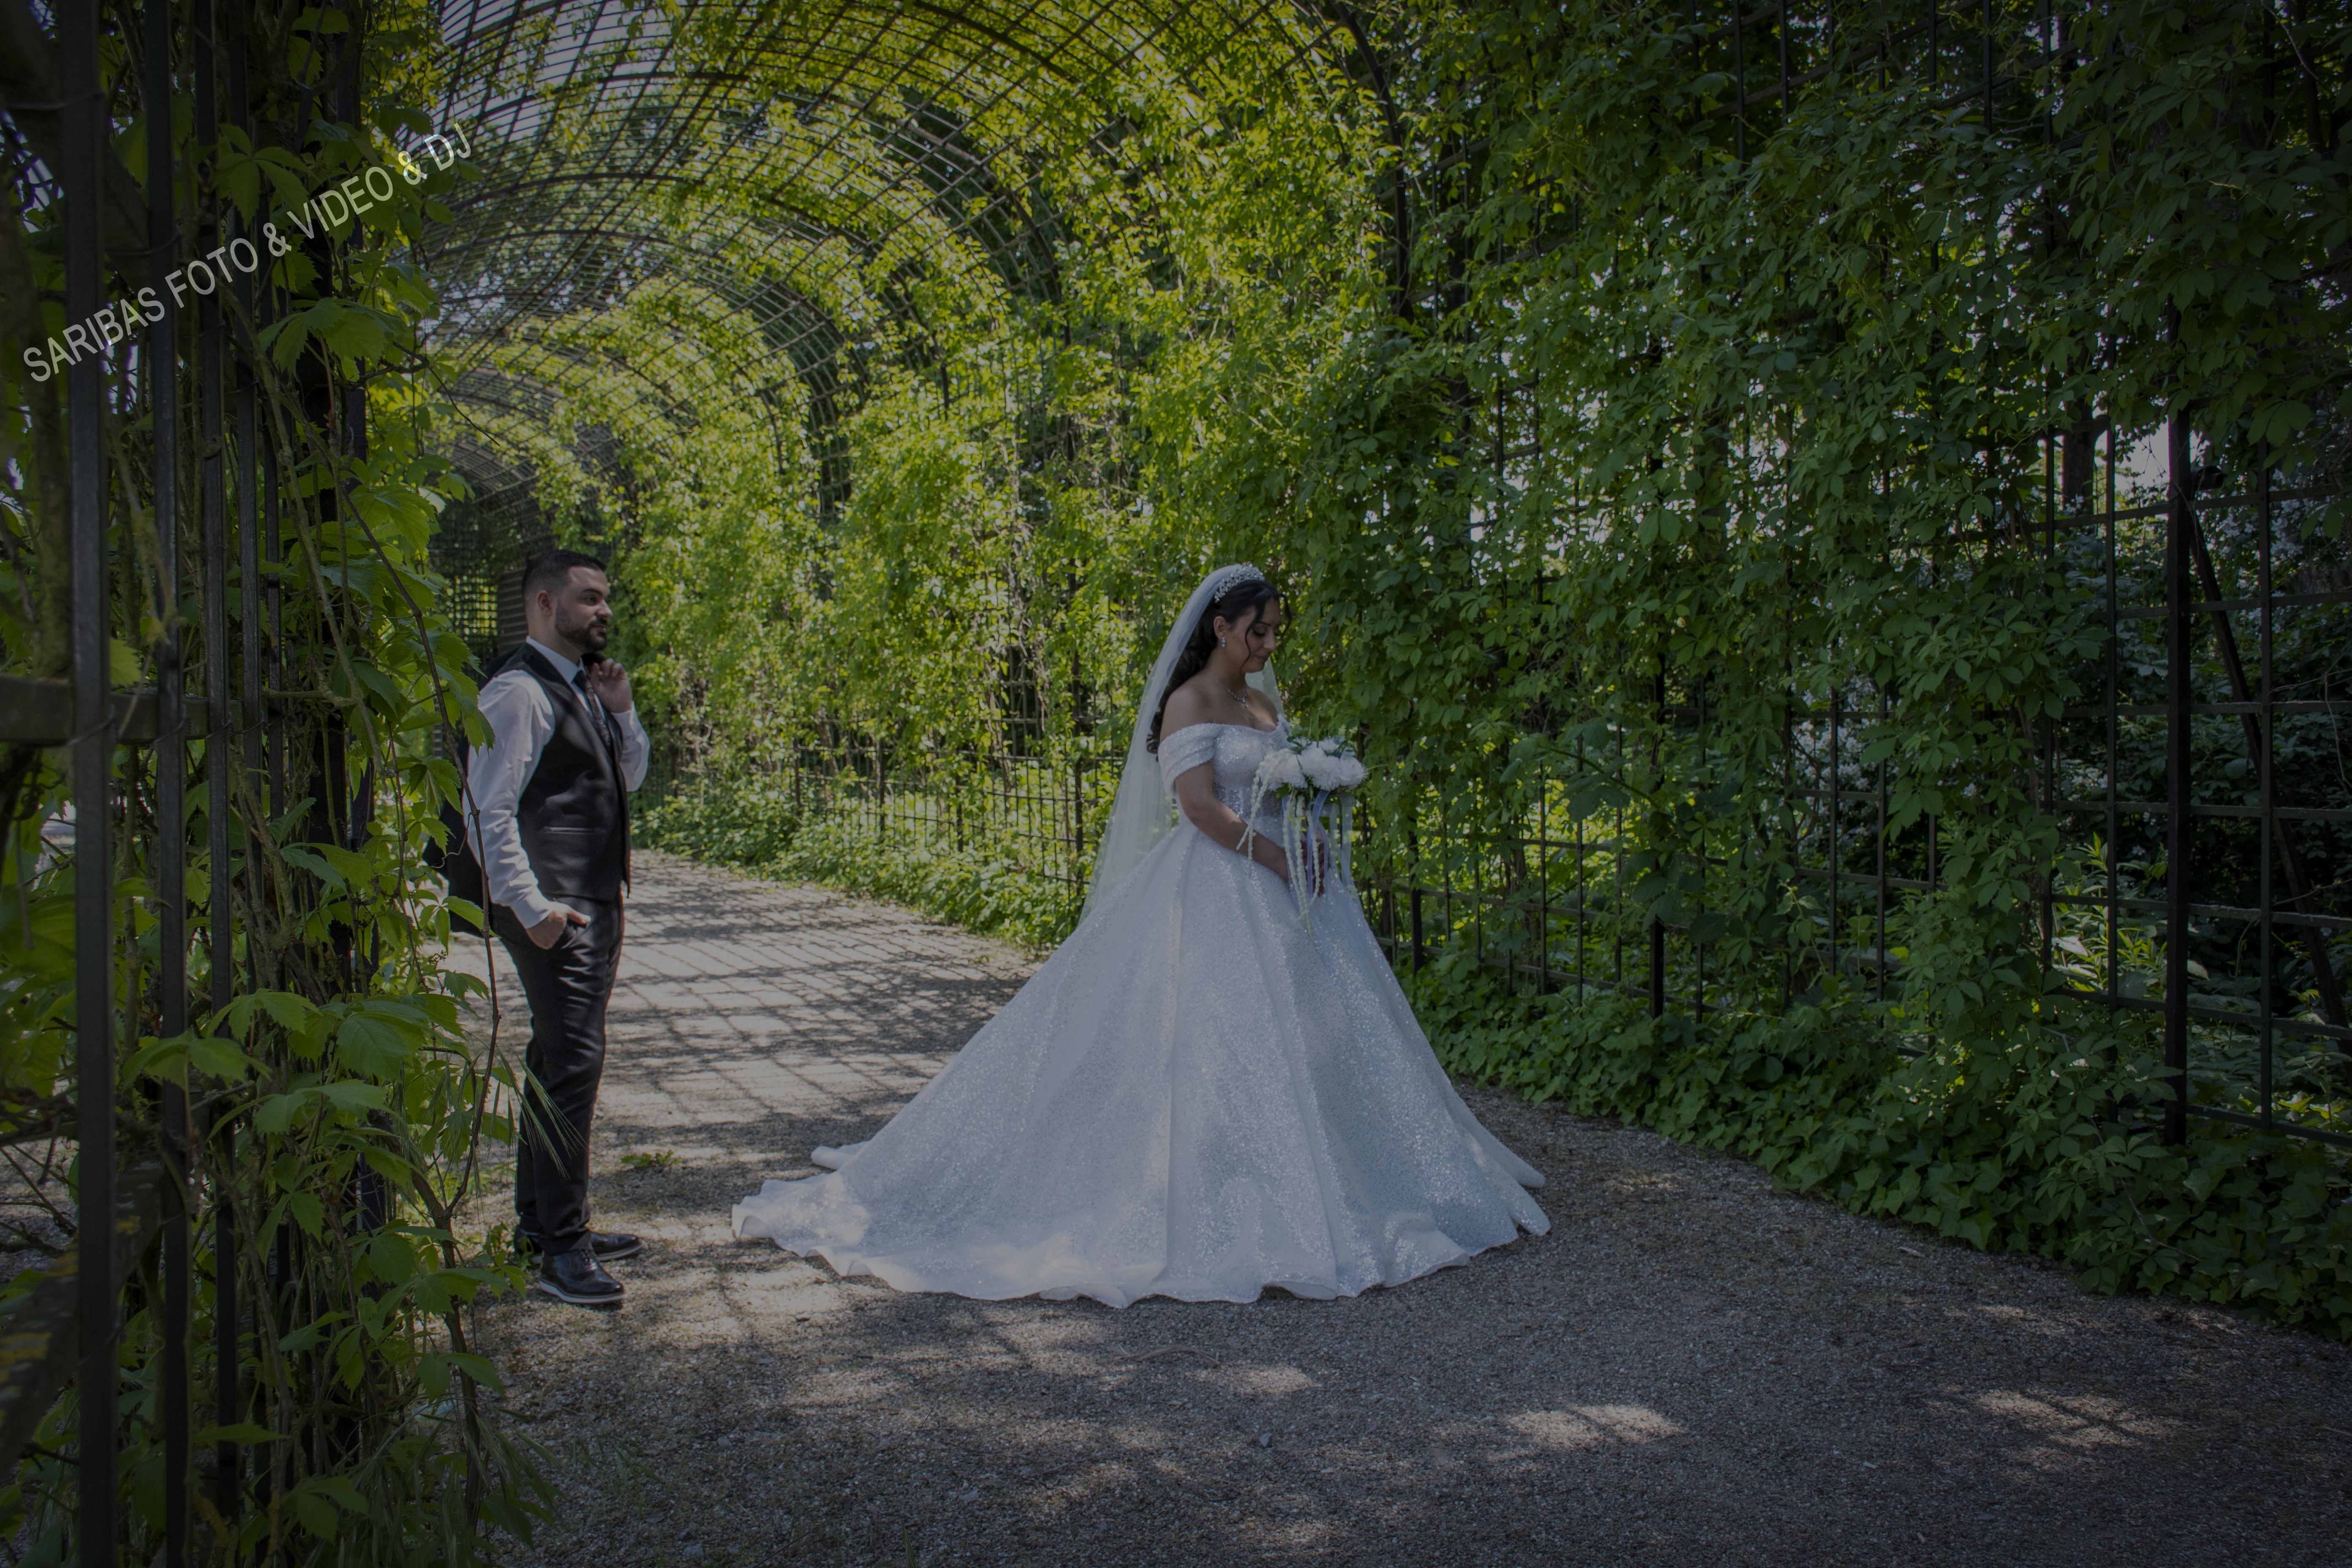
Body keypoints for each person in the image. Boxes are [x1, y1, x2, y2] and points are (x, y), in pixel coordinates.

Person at [732, 564, 1547, 1306]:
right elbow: (1198, 806)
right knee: (1210, 1035)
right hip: (1226, 881)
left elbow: (1275, 780)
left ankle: (1330, 1172)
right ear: (1221, 628)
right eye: (1256, 630)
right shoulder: (1189, 701)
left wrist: (1308, 821)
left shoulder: (1265, 705)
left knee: (1313, 1032)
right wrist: (1272, 852)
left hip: (1293, 886)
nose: (1268, 644)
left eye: (1274, 631)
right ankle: (1216, 1182)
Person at [461, 548, 651, 1307]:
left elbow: (628, 778)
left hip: (593, 900)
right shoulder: (517, 693)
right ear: (543, 604)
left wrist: (622, 709)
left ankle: (542, 1225)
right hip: (559, 911)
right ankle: (564, 1254)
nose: (604, 610)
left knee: (555, 1062)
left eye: (606, 599)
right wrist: (532, 910)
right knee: (574, 1066)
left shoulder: (581, 687)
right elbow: (487, 810)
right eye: (588, 598)